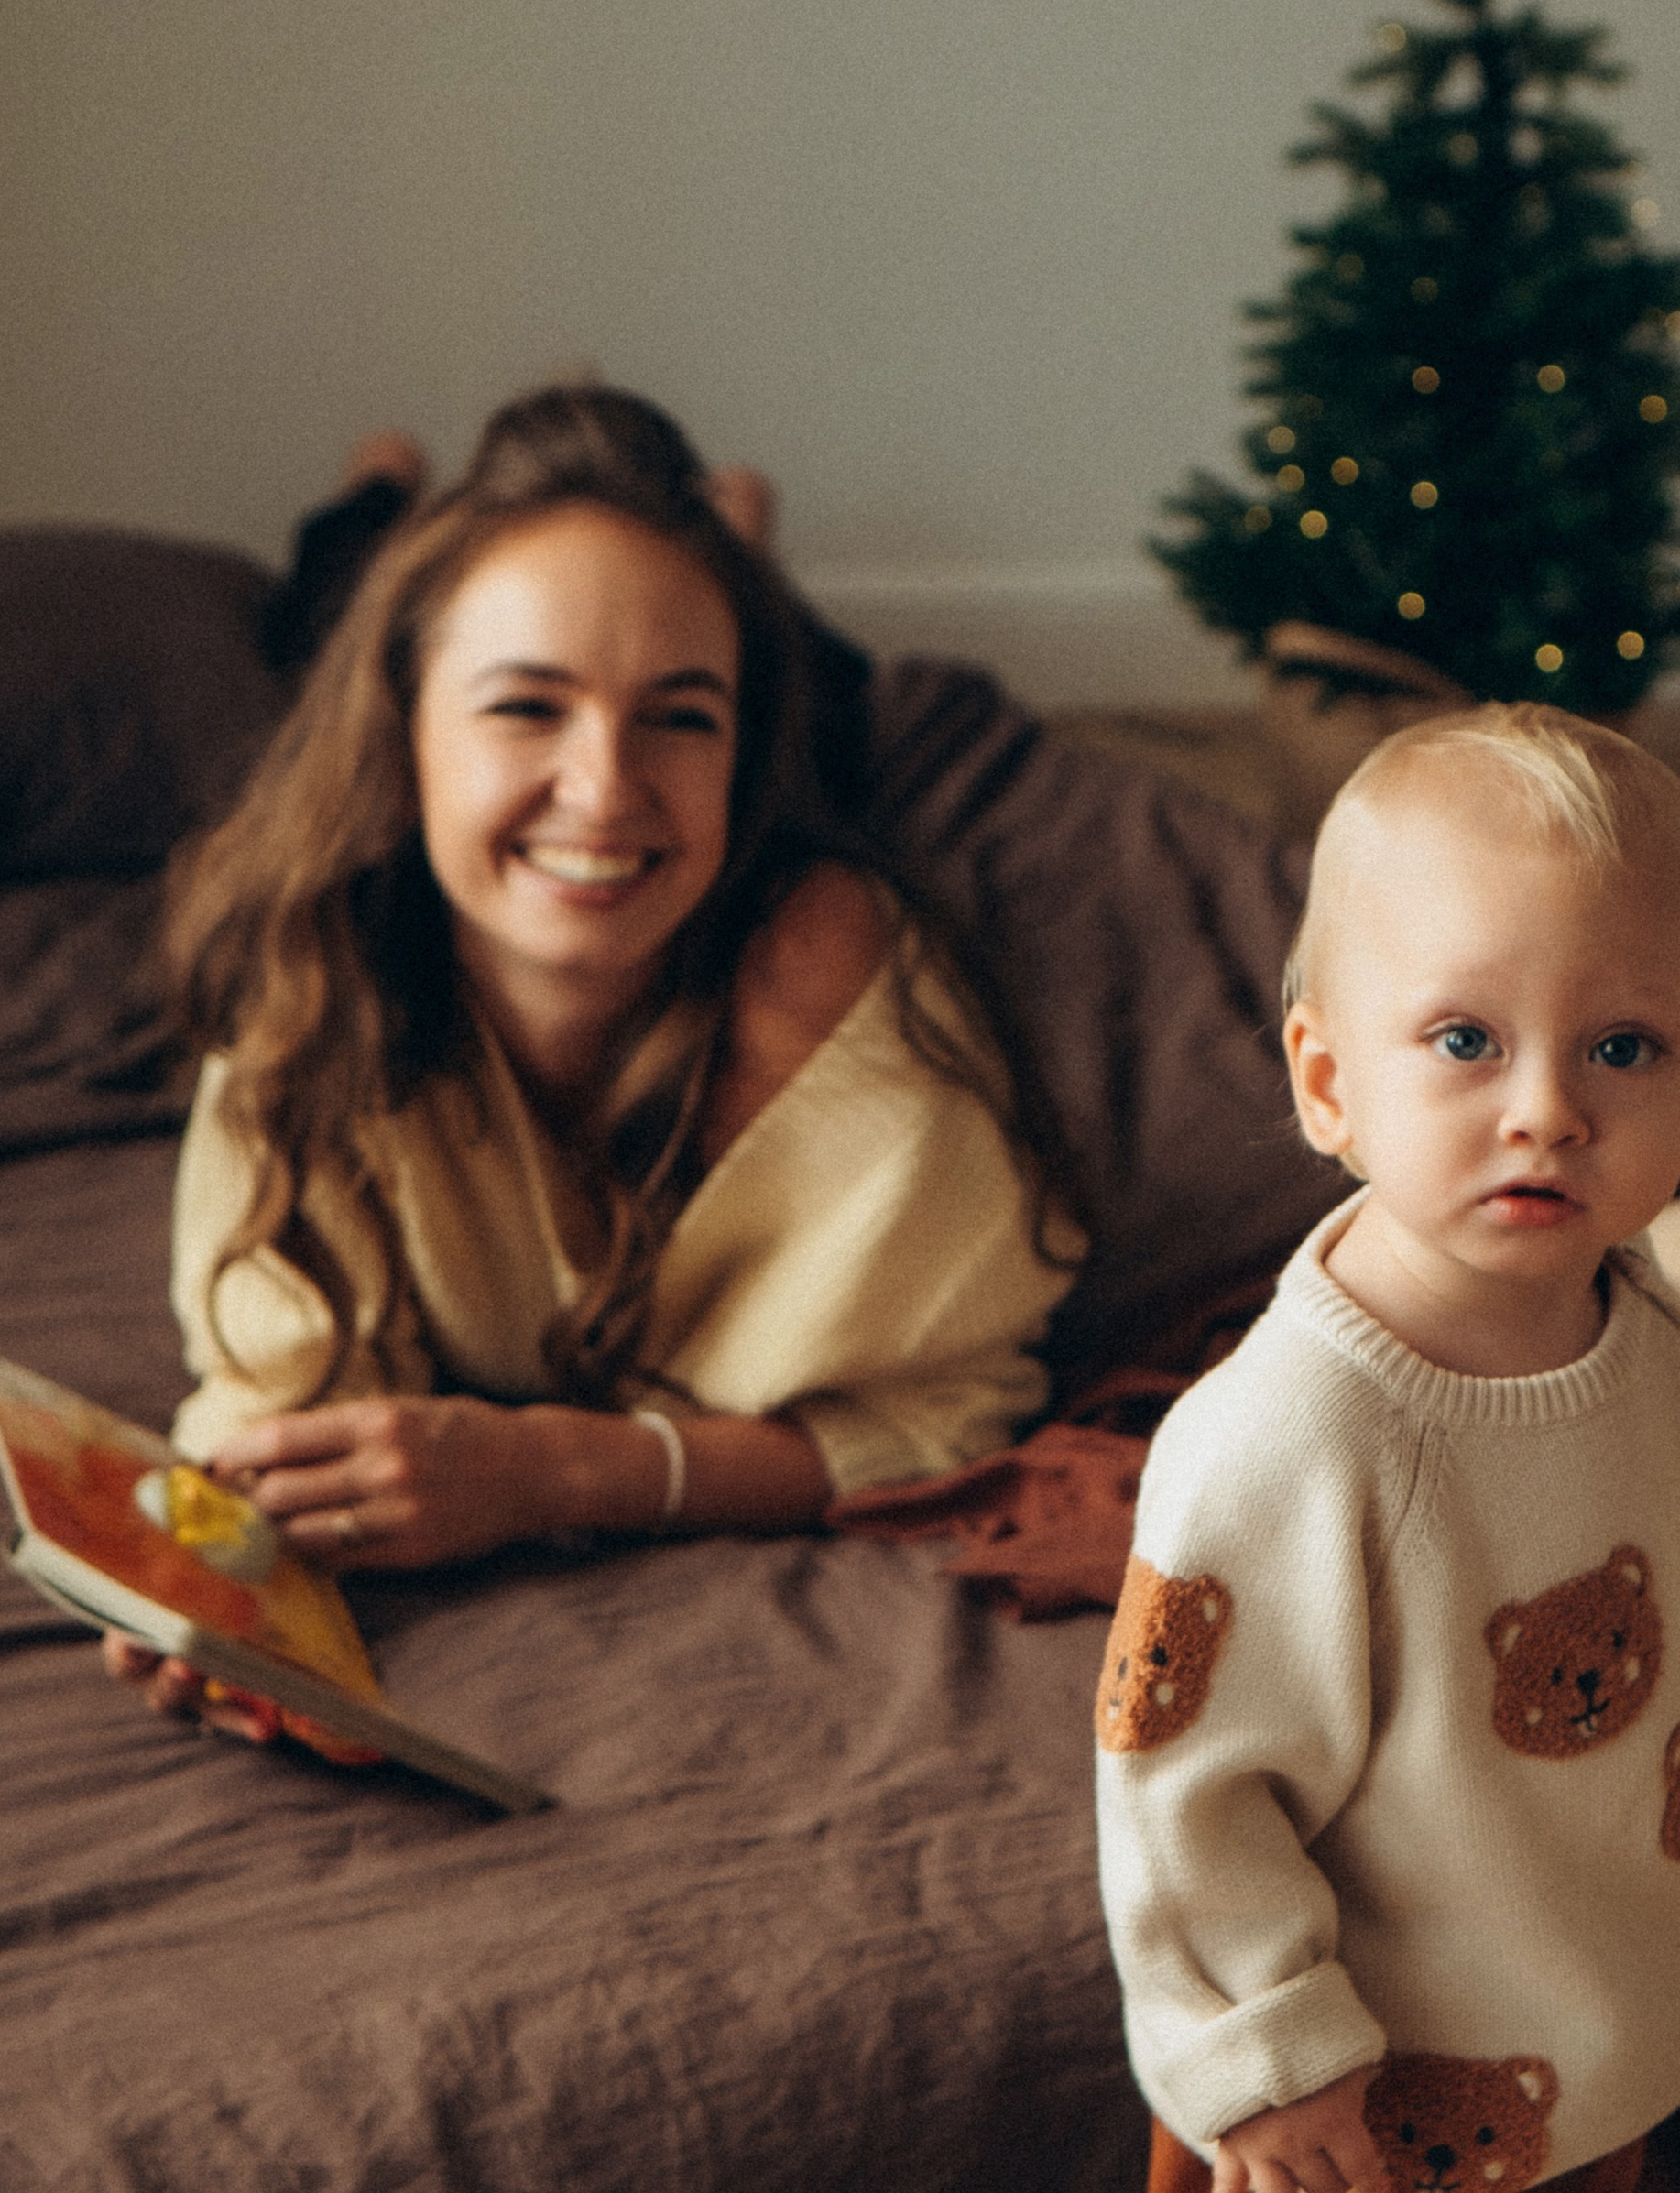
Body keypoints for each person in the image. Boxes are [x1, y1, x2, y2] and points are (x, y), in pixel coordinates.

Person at [1094, 701, 1680, 2193]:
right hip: (1356, 2122)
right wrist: (1262, 2063)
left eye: (1620, 1047)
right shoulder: (1285, 1440)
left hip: (1576, 2038)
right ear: (1323, 1078)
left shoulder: (1644, 1330)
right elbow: (1180, 1782)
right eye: (1460, 1035)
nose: (1544, 1105)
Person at [114, 381, 1076, 1731]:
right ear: (407, 736)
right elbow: (277, 1384)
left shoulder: (820, 970)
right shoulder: (316, 962)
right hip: (408, 703)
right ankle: (381, 490)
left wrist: (561, 1467)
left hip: (771, 799)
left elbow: (947, 1413)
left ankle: (737, 540)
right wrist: (218, 1559)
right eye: (525, 708)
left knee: (813, 699)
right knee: (335, 600)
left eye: (680, 716)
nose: (604, 782)